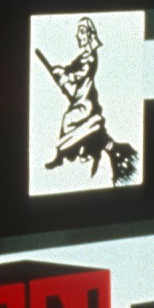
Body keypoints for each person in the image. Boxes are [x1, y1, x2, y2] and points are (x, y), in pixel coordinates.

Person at [37, 17, 137, 184]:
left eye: (81, 32)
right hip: (80, 98)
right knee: (71, 123)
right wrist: (62, 71)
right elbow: (72, 67)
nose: (78, 36)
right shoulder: (83, 56)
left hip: (86, 102)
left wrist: (67, 77)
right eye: (78, 32)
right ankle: (71, 153)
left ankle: (64, 155)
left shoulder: (90, 57)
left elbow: (82, 72)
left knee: (69, 120)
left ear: (89, 35)